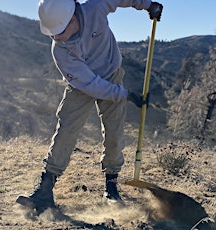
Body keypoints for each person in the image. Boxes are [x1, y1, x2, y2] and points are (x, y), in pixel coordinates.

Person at [16, 0, 163, 213]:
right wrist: (125, 95)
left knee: (114, 134)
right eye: (52, 33)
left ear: (74, 16)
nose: (56, 37)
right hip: (82, 86)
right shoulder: (60, 51)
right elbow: (90, 84)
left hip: (111, 75)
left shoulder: (96, 7)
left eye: (60, 31)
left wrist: (148, 5)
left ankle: (111, 189)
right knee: (66, 129)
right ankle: (44, 190)